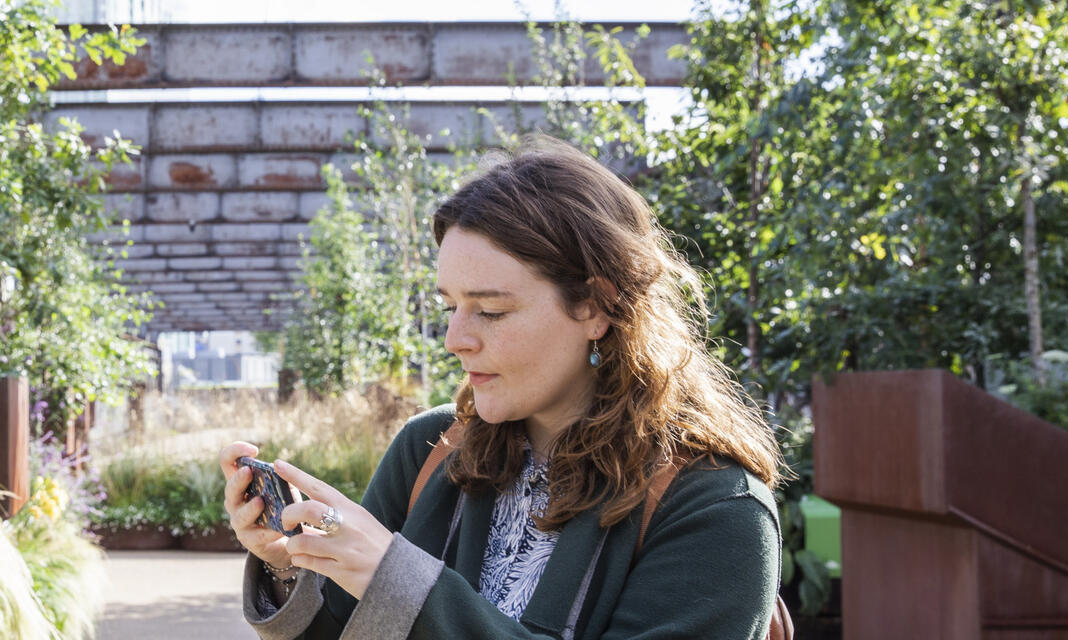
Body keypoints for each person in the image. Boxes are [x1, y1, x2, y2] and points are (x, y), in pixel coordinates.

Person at [219, 136, 787, 639]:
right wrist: (288, 567)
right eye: (450, 306)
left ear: (595, 305)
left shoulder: (715, 510)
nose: (454, 339)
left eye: (489, 310)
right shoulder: (428, 450)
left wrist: (397, 580)